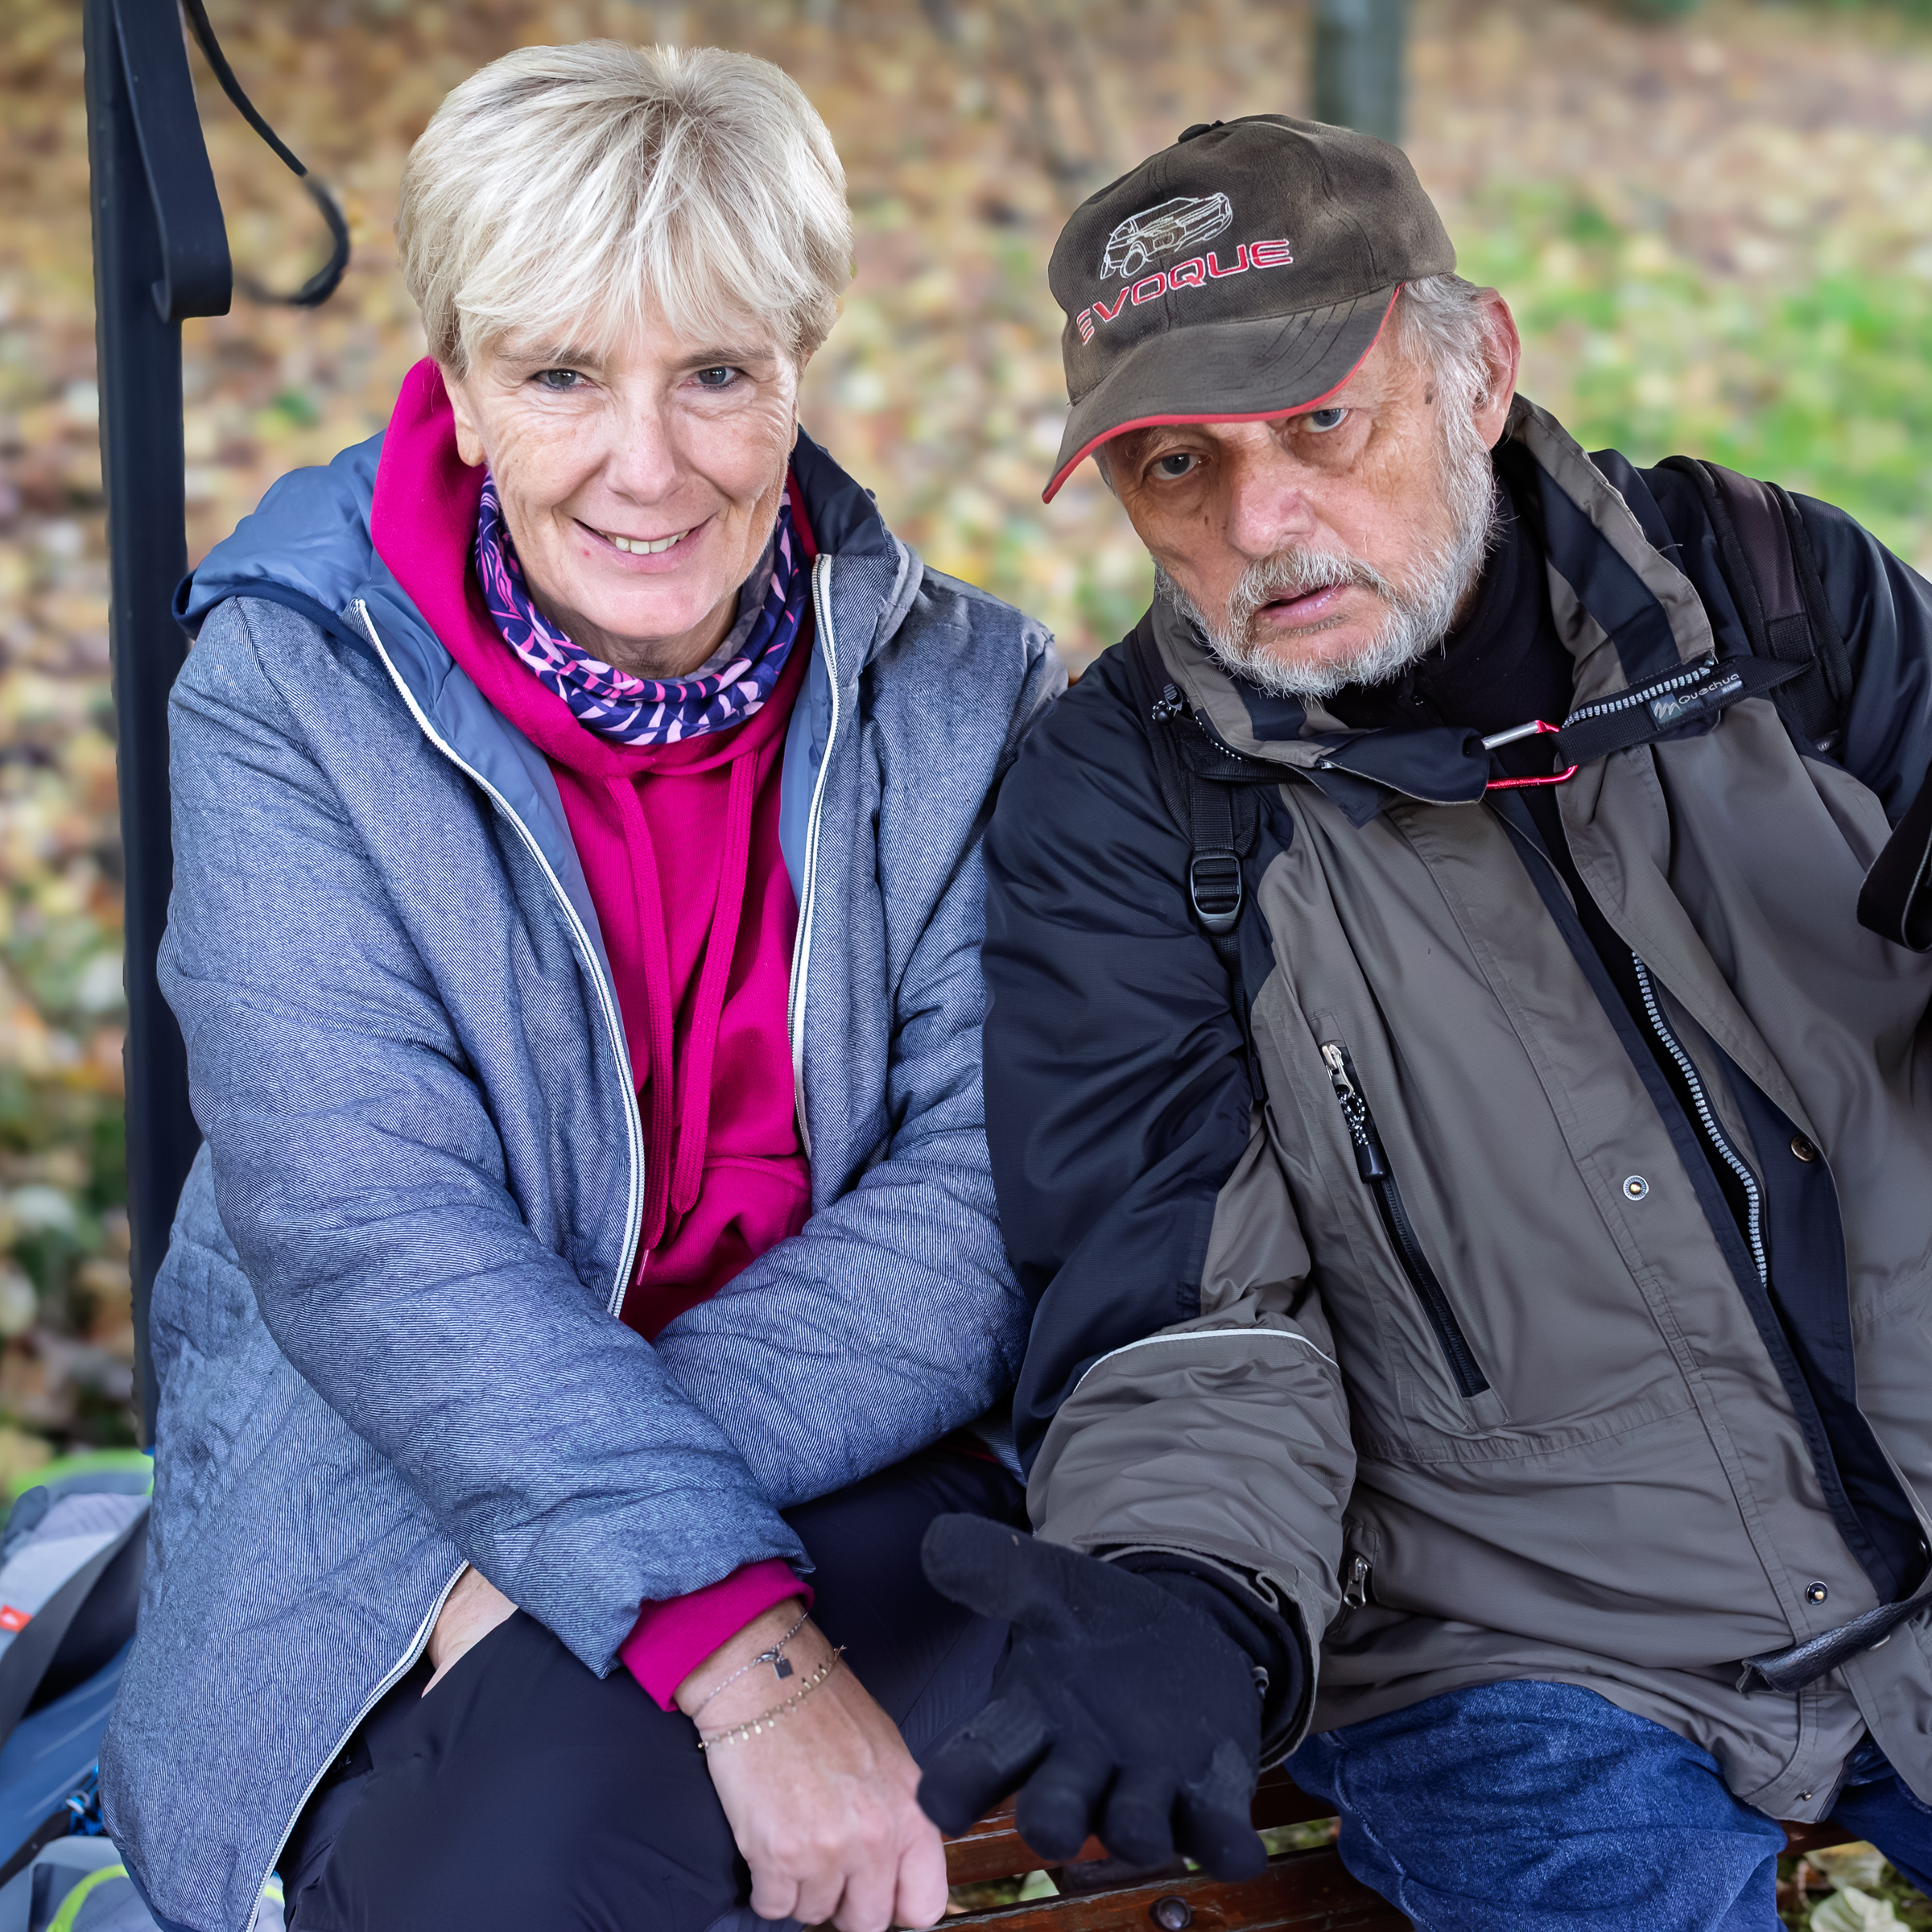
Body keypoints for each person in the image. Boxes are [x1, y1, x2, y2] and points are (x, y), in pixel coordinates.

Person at [923, 114, 1932, 1931]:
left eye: (1321, 420)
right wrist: (1191, 1589)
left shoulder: (1772, 594)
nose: (1259, 522)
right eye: (1174, 463)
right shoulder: (1124, 802)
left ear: (1481, 373)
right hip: (1518, 1642)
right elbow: (1177, 1296)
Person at [98, 43, 1061, 1932]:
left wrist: (597, 1555)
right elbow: (369, 1226)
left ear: (800, 368)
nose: (647, 463)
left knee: (523, 1856)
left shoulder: (964, 697)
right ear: (460, 390)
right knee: (445, 1862)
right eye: (560, 376)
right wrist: (701, 1619)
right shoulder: (292, 692)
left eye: (716, 374)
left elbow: (982, 1203)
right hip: (399, 1445)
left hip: (858, 1452)